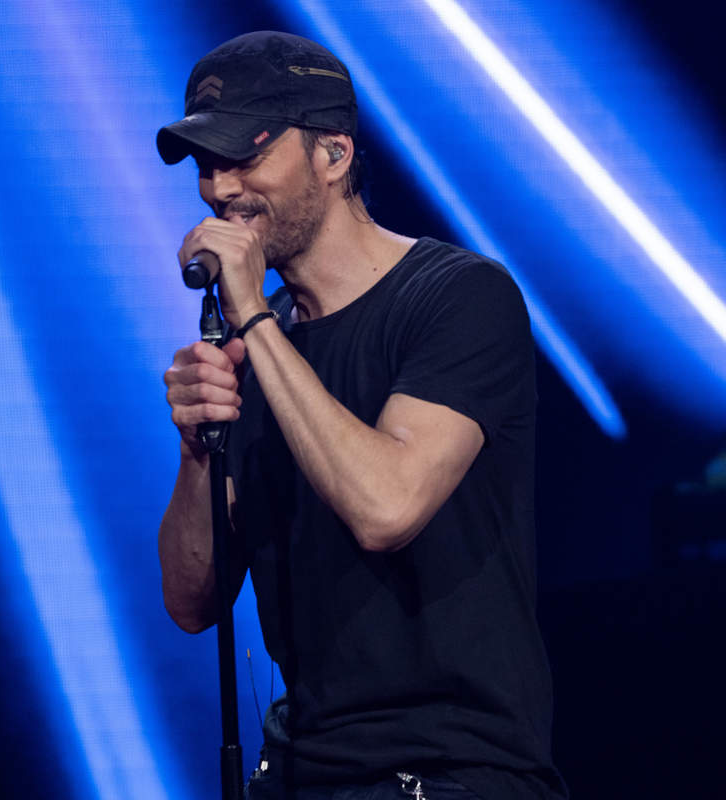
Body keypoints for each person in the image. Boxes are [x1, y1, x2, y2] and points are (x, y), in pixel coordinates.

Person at [156, 30, 567, 800]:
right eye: (206, 166)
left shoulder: (459, 297)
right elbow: (191, 602)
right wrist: (197, 451)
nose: (217, 189)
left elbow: (386, 507)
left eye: (243, 157)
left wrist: (253, 322)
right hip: (305, 766)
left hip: (450, 767)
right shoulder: (261, 344)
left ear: (334, 156)